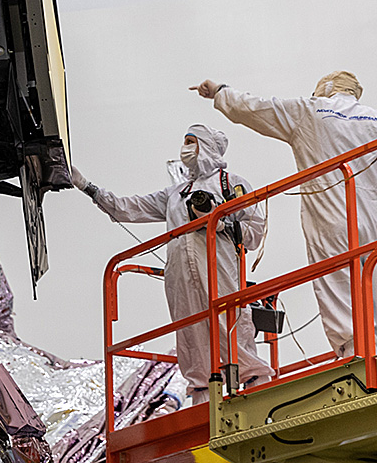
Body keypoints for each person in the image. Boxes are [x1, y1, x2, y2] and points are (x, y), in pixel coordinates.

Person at [190, 71, 377, 359]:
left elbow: (255, 108)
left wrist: (219, 91)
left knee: (342, 295)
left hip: (332, 219)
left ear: (325, 89)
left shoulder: (311, 110)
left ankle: (357, 361)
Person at [69, 124, 273, 403]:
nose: (186, 147)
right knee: (191, 338)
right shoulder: (176, 194)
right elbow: (127, 207)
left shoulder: (231, 184)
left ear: (207, 146)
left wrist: (219, 222)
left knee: (232, 328)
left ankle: (256, 390)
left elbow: (254, 233)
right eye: (184, 141)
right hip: (179, 276)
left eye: (192, 141)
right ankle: (202, 401)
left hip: (219, 269)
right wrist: (87, 187)